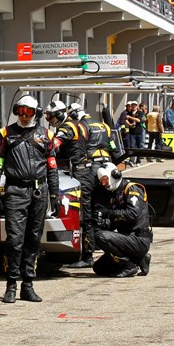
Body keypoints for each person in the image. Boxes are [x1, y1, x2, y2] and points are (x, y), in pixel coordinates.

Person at [0, 95, 58, 303]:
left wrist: (54, 194)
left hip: (39, 191)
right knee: (15, 240)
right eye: (21, 111)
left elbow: (52, 166)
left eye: (29, 112)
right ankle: (11, 286)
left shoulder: (46, 135)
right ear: (16, 111)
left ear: (36, 113)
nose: (25, 116)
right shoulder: (5, 133)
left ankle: (28, 285)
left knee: (33, 239)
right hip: (15, 191)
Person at [50, 102, 118, 269]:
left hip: (87, 170)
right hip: (107, 169)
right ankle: (110, 247)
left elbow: (78, 148)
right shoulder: (104, 126)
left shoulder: (79, 127)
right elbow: (114, 147)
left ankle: (87, 255)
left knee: (85, 213)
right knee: (103, 210)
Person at [92, 162, 153, 278]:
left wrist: (108, 214)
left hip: (138, 238)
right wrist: (101, 222)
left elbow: (132, 214)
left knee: (101, 237)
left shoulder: (132, 189)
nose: (104, 183)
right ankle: (140, 259)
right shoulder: (115, 195)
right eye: (101, 181)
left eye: (105, 179)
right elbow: (118, 220)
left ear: (114, 175)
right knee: (99, 268)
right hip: (126, 239)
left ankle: (129, 265)